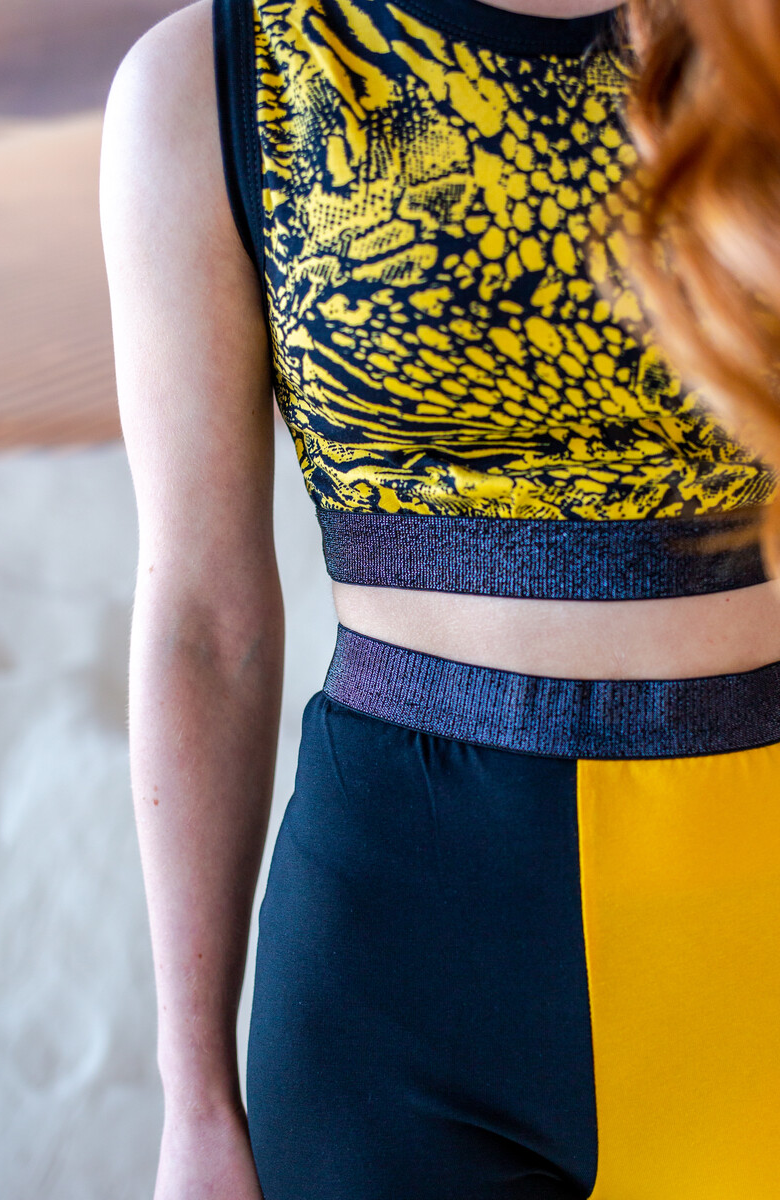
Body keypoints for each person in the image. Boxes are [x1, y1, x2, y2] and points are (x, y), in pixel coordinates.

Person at [99, 0, 780, 1195]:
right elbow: (204, 620)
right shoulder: (217, 79)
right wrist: (194, 1099)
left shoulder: (754, 48)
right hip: (393, 975)